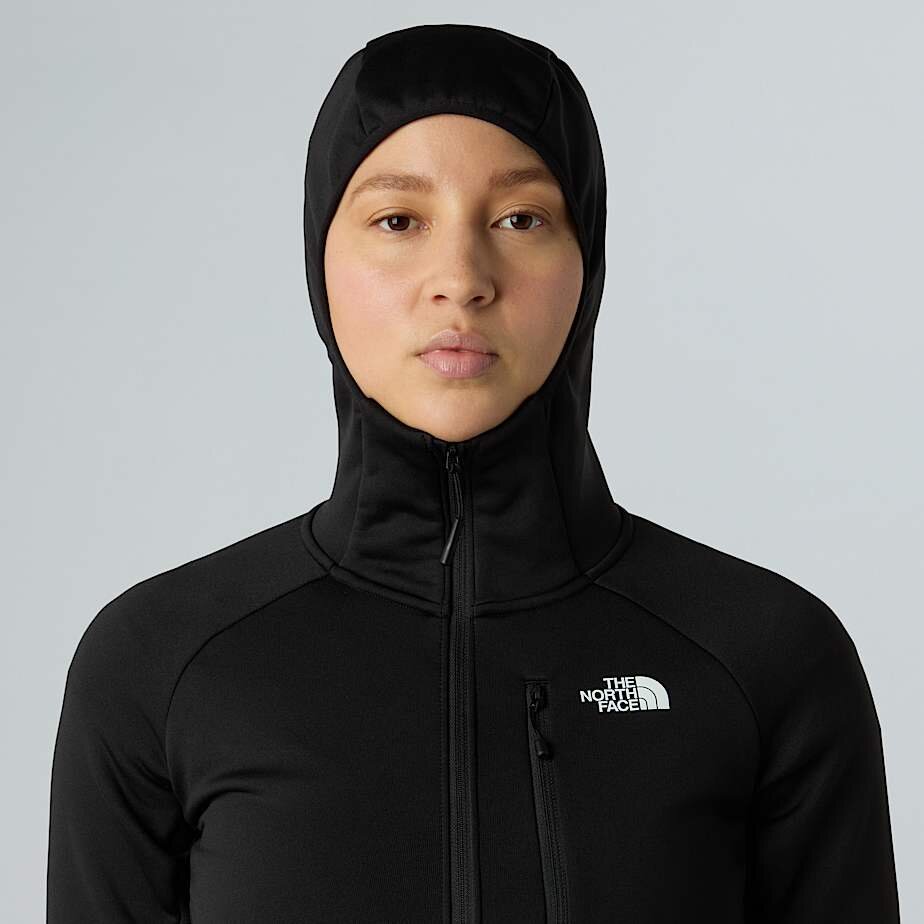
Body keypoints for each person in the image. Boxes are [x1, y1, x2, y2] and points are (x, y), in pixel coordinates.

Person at [46, 23, 900, 923]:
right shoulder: (160, 666)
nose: (460, 278)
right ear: (320, 262)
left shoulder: (765, 658)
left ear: (587, 263)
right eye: (398, 221)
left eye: (520, 219)